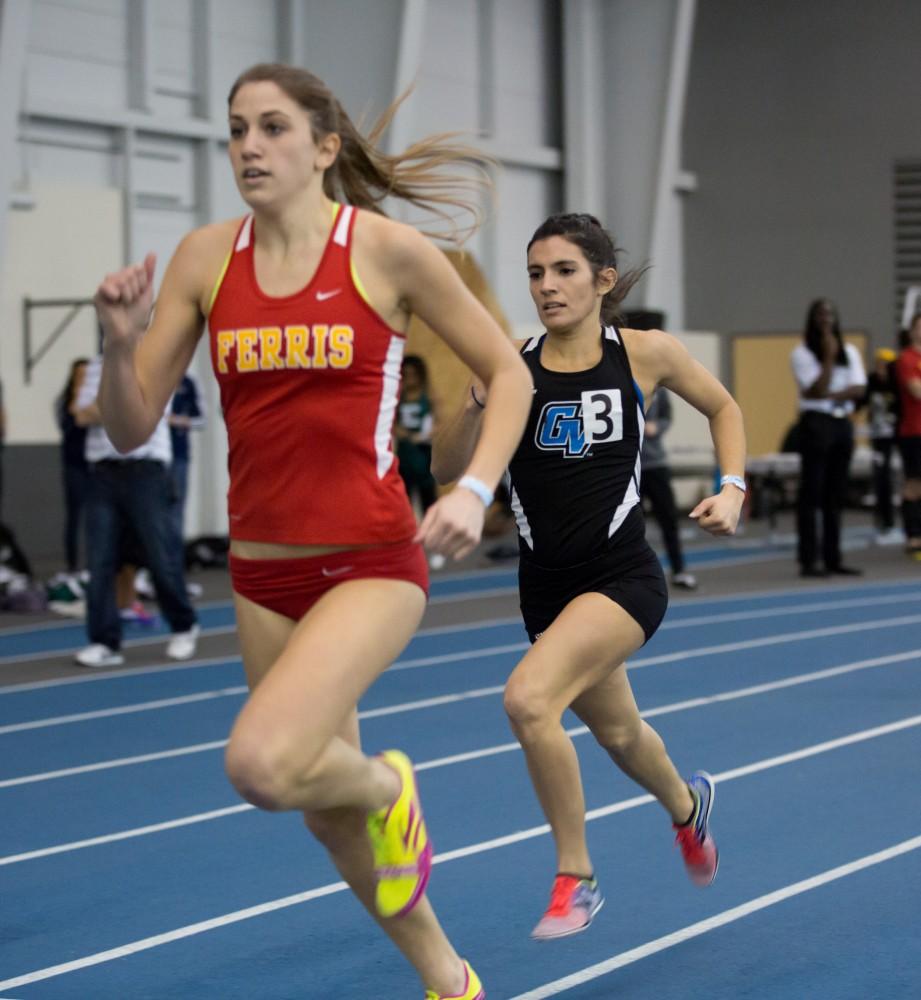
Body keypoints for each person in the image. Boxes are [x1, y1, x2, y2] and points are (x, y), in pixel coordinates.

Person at [92, 63, 532, 1000]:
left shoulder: (386, 251)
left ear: (324, 147)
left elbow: (511, 373)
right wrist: (118, 341)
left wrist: (473, 487)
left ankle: (388, 786)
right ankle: (449, 979)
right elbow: (130, 428)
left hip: (370, 562)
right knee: (322, 815)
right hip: (259, 575)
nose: (249, 147)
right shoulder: (208, 257)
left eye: (272, 128)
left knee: (263, 763)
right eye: (237, 129)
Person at [432, 212, 746, 940]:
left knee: (527, 700)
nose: (546, 286)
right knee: (621, 734)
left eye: (563, 271)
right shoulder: (513, 368)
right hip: (545, 588)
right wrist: (479, 396)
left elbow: (723, 406)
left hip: (623, 575)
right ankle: (687, 807)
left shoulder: (642, 354)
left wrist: (732, 486)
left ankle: (575, 878)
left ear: (602, 281)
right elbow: (446, 468)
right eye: (535, 273)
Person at [73, 351, 200, 667]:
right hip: (103, 472)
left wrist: (107, 408)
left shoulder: (157, 363)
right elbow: (81, 415)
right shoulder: (95, 367)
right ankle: (104, 641)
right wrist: (119, 408)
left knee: (160, 554)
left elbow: (144, 413)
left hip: (147, 472)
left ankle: (183, 624)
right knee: (100, 560)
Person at [790, 299, 866, 577]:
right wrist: (829, 356)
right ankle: (809, 560)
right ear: (812, 319)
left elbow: (858, 390)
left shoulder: (850, 351)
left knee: (835, 494)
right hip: (815, 424)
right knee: (812, 493)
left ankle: (834, 557)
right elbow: (814, 390)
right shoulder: (801, 354)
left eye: (830, 314)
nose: (826, 320)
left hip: (841, 423)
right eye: (821, 315)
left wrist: (831, 394)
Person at [640, 388, 697, 589]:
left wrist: (657, 427)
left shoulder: (658, 389)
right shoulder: (616, 380)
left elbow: (666, 416)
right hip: (630, 466)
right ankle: (634, 576)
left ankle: (679, 570)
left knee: (668, 518)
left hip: (656, 463)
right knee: (631, 524)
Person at [395, 355, 443, 569]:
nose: (410, 379)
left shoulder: (429, 397)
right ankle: (406, 552)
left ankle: (436, 548)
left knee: (429, 507)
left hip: (424, 459)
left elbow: (439, 422)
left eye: (414, 375)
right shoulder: (398, 398)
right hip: (405, 460)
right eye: (407, 375)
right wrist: (403, 433)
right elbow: (391, 423)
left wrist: (426, 434)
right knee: (404, 509)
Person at [55, 358, 91, 574]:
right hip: (74, 464)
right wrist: (78, 392)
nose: (83, 378)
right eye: (79, 374)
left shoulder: (98, 397)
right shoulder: (65, 400)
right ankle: (72, 564)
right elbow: (70, 423)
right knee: (75, 515)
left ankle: (94, 562)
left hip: (95, 465)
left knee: (95, 517)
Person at [864, 347, 902, 545]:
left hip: (898, 435)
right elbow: (860, 401)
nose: (882, 368)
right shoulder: (871, 382)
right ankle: (885, 522)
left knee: (905, 479)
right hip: (880, 437)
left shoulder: (897, 383)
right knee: (882, 479)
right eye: (880, 363)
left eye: (886, 364)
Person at [168, 369, 207, 543]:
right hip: (152, 458)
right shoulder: (153, 376)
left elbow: (202, 419)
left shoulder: (189, 382)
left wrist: (177, 420)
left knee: (176, 508)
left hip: (178, 454)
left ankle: (174, 563)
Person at [895, 312, 921, 556]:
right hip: (914, 431)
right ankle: (913, 534)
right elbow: (916, 390)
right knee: (914, 483)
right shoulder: (907, 358)